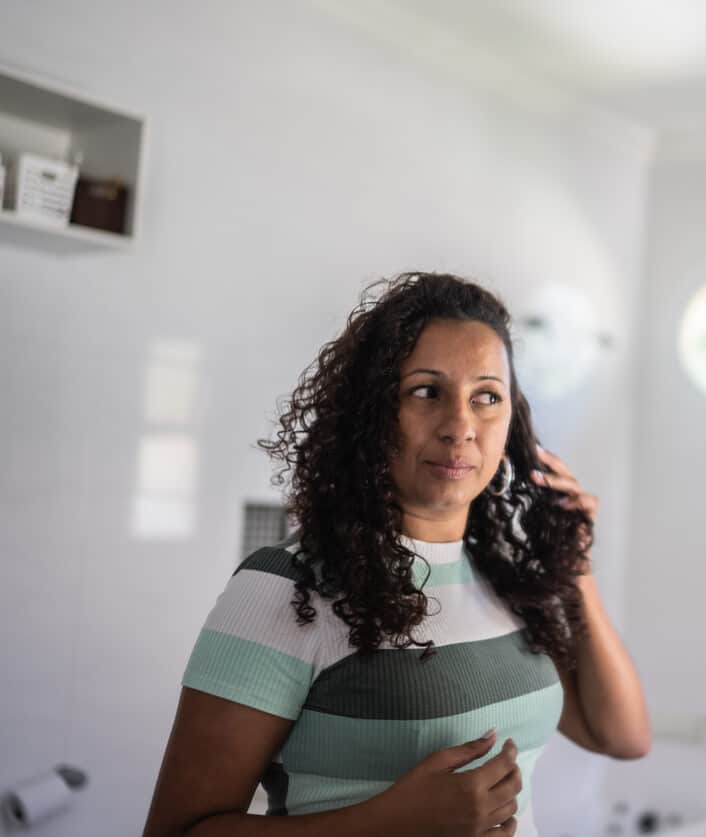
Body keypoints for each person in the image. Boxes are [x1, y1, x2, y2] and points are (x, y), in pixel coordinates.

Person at [142, 272, 650, 837]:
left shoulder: (500, 577)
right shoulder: (288, 588)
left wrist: (575, 566)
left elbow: (621, 736)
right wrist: (389, 822)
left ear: (512, 420)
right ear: (372, 411)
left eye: (486, 396)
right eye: (426, 392)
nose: (460, 427)